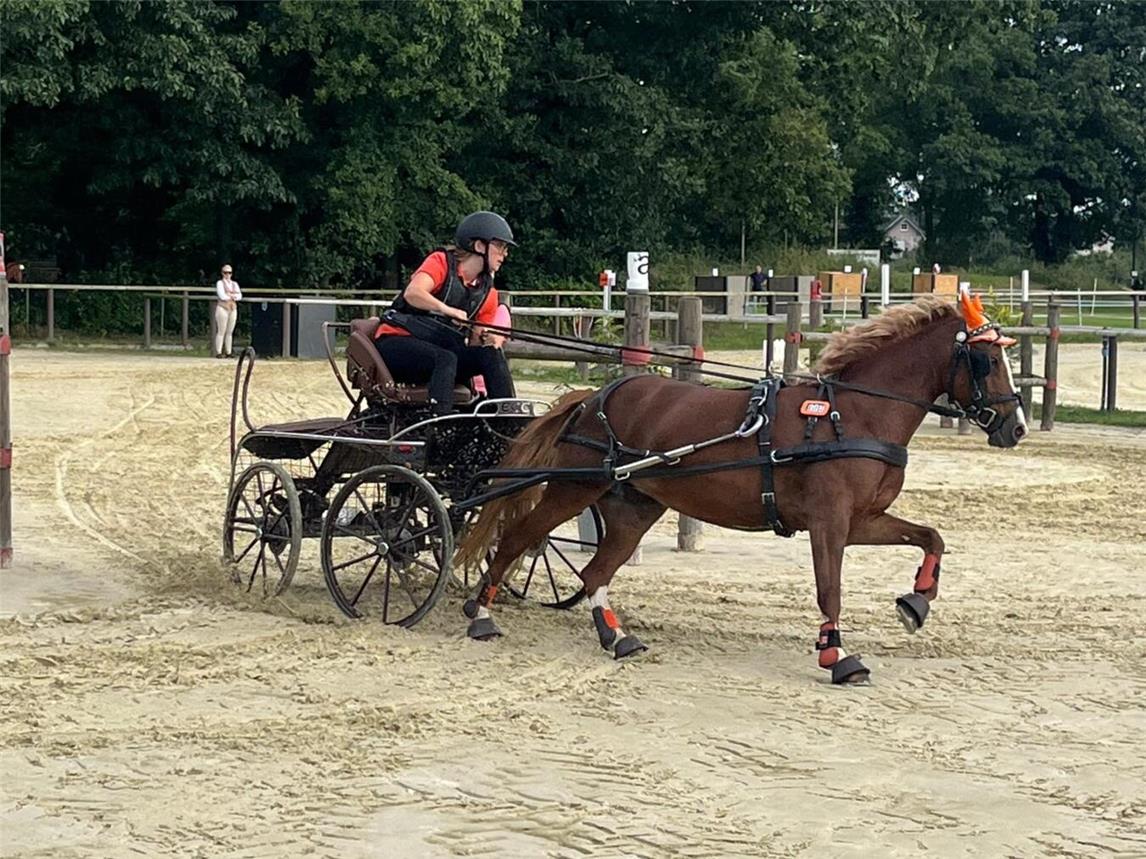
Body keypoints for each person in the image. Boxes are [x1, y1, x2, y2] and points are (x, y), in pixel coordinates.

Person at [374, 211, 516, 416]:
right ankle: (441, 426)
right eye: (500, 247)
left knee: (490, 355)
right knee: (446, 358)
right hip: (397, 343)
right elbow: (413, 293)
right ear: (479, 246)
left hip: (440, 355)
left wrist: (488, 339)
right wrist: (447, 310)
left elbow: (475, 343)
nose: (505, 254)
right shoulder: (440, 262)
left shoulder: (488, 293)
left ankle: (507, 420)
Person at [214, 264, 242, 359]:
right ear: (222, 273)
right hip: (222, 308)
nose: (227, 275)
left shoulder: (234, 284)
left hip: (232, 308)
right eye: (225, 272)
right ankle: (218, 351)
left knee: (230, 331)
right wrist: (232, 295)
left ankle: (228, 351)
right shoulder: (220, 283)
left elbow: (239, 296)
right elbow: (222, 296)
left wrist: (231, 295)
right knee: (221, 330)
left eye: (229, 273)